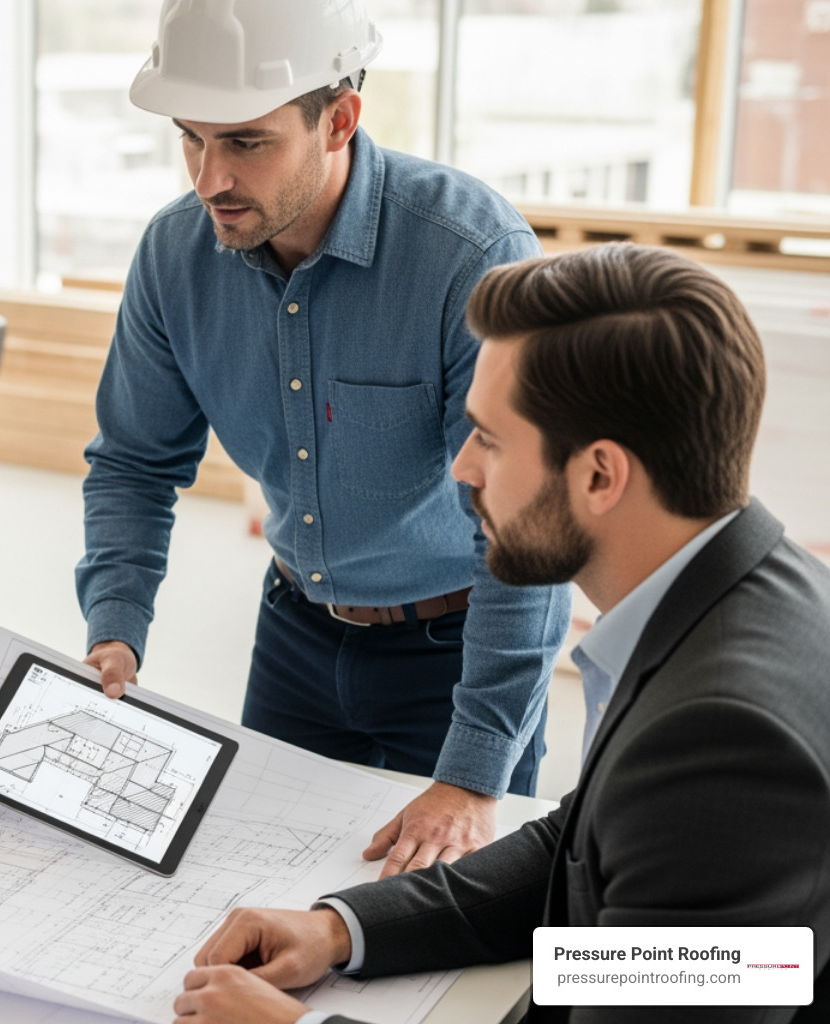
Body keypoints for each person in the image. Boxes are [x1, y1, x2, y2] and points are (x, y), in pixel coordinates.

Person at [172, 244, 830, 1024]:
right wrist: (341, 929)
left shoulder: (721, 737)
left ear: (598, 475)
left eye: (487, 437)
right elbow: (589, 841)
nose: (461, 468)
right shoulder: (742, 590)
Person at [77, 0, 570, 874]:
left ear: (338, 119)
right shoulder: (172, 257)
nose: (208, 179)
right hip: (296, 637)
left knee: (443, 939)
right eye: (190, 138)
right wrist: (115, 625)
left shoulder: (470, 254)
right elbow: (133, 464)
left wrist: (471, 773)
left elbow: (528, 526)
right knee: (256, 895)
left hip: (454, 656)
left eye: (245, 142)